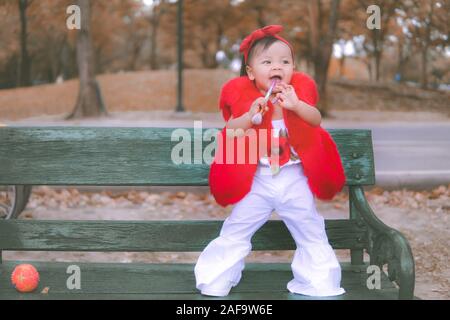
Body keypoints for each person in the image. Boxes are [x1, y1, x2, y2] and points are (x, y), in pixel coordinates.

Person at [194, 25, 346, 297]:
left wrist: (296, 106)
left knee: (310, 228)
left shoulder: (294, 97)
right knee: (237, 228)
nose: (277, 66)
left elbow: (316, 120)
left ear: (293, 68)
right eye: (267, 62)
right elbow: (230, 132)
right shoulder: (249, 101)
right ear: (251, 72)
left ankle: (320, 282)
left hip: (293, 179)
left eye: (284, 62)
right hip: (258, 182)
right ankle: (215, 280)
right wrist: (248, 116)